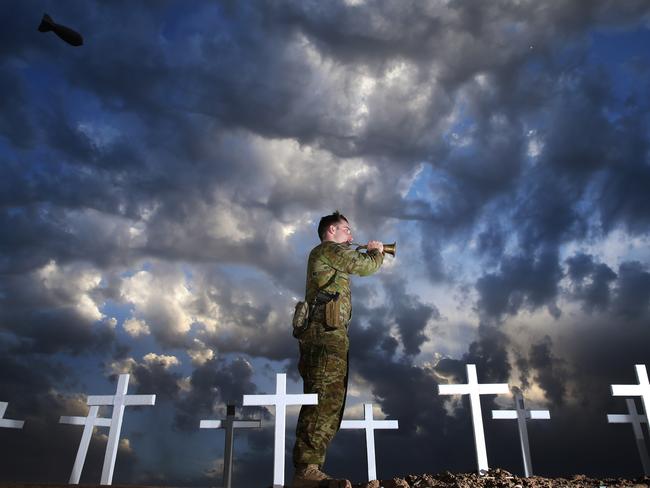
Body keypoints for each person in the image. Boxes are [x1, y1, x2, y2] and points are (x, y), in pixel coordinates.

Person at [292, 211, 384, 488]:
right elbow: (363, 266)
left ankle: (312, 469)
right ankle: (305, 470)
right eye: (347, 230)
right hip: (323, 336)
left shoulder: (333, 254)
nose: (351, 236)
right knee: (321, 397)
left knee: (331, 402)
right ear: (332, 230)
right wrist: (376, 253)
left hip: (334, 335)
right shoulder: (327, 249)